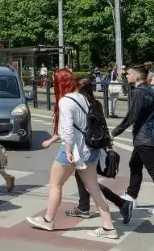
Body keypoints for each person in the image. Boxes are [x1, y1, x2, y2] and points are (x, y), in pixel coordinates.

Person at [28, 69, 119, 239]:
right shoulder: (85, 99)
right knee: (94, 188)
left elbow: (67, 130)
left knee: (55, 184)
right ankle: (109, 227)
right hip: (90, 150)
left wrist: (68, 150)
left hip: (73, 150)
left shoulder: (65, 101)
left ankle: (48, 220)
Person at [67, 77, 136, 225]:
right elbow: (103, 125)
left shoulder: (80, 104)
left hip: (84, 147)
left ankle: (121, 204)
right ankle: (84, 207)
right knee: (84, 179)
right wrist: (108, 145)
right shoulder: (96, 103)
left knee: (89, 182)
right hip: (96, 146)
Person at [112, 64, 154, 217]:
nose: (126, 76)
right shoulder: (150, 91)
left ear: (137, 77)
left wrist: (115, 132)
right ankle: (131, 196)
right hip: (147, 137)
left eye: (128, 74)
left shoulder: (139, 93)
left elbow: (132, 116)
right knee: (134, 164)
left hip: (144, 138)